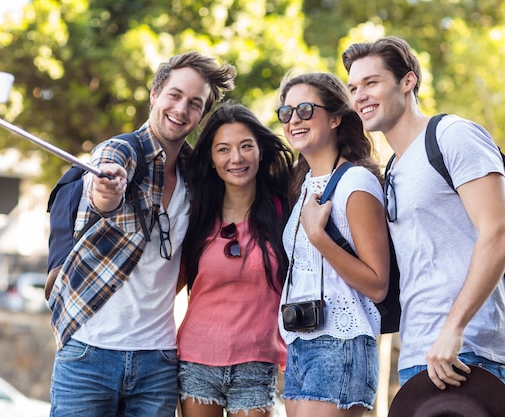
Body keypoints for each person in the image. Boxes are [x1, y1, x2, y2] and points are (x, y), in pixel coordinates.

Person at [47, 51, 236, 416]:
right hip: (88, 353)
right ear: (155, 94)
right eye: (175, 95)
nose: (181, 109)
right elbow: (103, 184)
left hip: (158, 362)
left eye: (194, 103)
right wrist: (108, 191)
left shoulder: (196, 176)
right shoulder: (121, 151)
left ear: (201, 115)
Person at [342, 36, 505, 390]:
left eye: (371, 82)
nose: (359, 95)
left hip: (465, 351)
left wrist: (454, 329)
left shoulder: (452, 135)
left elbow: (501, 232)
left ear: (408, 81)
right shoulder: (393, 168)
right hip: (417, 354)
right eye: (353, 87)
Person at [276, 72, 391, 417]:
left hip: (341, 344)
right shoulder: (305, 186)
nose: (294, 119)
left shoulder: (355, 182)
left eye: (306, 110)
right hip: (299, 345)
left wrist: (318, 238)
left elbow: (378, 284)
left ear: (336, 117)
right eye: (286, 112)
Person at [177, 101, 294, 417]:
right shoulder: (196, 215)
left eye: (246, 146)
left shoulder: (285, 210)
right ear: (212, 160)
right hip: (197, 358)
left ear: (259, 151)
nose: (236, 158)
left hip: (257, 362)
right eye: (224, 149)